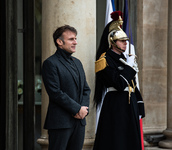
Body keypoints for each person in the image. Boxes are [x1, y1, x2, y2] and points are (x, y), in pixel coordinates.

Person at [93, 11, 145, 150]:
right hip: (116, 104)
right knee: (117, 141)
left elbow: (132, 85)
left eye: (126, 41)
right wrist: (130, 67)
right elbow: (120, 84)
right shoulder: (104, 60)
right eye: (122, 41)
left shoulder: (124, 59)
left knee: (131, 141)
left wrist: (139, 103)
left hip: (129, 104)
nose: (125, 44)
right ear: (112, 42)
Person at [42, 25, 91, 150]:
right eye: (71, 39)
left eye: (75, 38)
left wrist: (83, 110)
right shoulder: (50, 63)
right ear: (59, 42)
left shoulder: (78, 62)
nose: (75, 42)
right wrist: (76, 109)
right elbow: (55, 92)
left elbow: (86, 89)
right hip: (60, 122)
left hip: (79, 122)